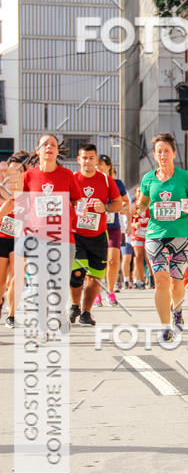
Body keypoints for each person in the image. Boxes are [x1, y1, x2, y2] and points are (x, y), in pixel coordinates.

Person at [133, 133, 188, 342]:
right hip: (155, 234)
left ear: (174, 153)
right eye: (159, 151)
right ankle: (164, 327)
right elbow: (142, 203)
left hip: (180, 234)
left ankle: (177, 311)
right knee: (161, 280)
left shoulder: (185, 177)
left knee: (177, 283)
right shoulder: (148, 179)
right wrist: (136, 211)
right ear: (155, 155)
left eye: (166, 151)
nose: (162, 154)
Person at [20, 133, 83, 334]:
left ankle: (57, 313)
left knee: (59, 282)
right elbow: (20, 205)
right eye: (44, 144)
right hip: (36, 237)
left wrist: (73, 216)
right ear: (37, 151)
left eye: (53, 144)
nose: (49, 147)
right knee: (38, 281)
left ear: (57, 151)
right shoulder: (27, 176)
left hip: (64, 238)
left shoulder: (67, 175)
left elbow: (77, 201)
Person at [69, 143, 123, 326]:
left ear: (96, 160)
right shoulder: (72, 179)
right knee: (77, 273)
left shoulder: (106, 180)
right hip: (76, 235)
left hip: (99, 235)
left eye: (91, 158)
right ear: (78, 159)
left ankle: (86, 312)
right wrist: (74, 207)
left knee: (95, 276)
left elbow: (118, 204)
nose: (88, 162)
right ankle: (74, 305)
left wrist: (105, 207)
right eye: (84, 158)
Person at [0, 151, 30, 327]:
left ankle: (11, 314)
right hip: (2, 237)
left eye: (16, 171)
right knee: (1, 280)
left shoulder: (30, 190)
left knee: (16, 277)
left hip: (20, 238)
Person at [97, 153, 129, 306]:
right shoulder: (91, 183)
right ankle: (96, 293)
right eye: (97, 164)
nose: (98, 167)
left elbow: (126, 202)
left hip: (113, 227)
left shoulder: (117, 183)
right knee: (97, 261)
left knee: (113, 260)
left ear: (109, 166)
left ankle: (110, 292)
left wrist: (121, 209)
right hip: (95, 226)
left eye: (102, 164)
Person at [130, 185, 150, 287]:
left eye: (141, 191)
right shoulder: (134, 206)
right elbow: (130, 222)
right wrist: (134, 224)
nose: (139, 193)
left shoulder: (148, 204)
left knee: (148, 257)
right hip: (137, 234)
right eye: (137, 191)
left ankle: (151, 278)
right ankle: (141, 279)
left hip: (148, 234)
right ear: (135, 194)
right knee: (138, 256)